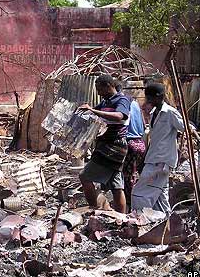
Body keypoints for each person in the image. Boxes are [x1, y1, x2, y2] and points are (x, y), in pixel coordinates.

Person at [78, 74, 130, 213]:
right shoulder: (106, 102)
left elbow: (120, 116)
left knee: (84, 176)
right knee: (116, 185)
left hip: (113, 147)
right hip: (107, 145)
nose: (99, 93)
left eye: (99, 89)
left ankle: (94, 209)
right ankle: (121, 218)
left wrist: (92, 110)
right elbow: (94, 113)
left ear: (108, 86)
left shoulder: (121, 100)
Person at [131, 83, 184, 214]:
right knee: (161, 197)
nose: (148, 100)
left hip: (161, 161)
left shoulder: (170, 112)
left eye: (150, 97)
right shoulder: (154, 112)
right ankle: (167, 223)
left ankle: (140, 218)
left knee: (140, 193)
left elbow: (186, 128)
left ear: (159, 97)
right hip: (154, 158)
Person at [115, 84, 147, 210]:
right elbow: (144, 125)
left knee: (128, 178)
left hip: (130, 144)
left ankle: (131, 207)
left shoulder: (120, 104)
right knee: (136, 175)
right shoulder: (134, 103)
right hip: (140, 143)